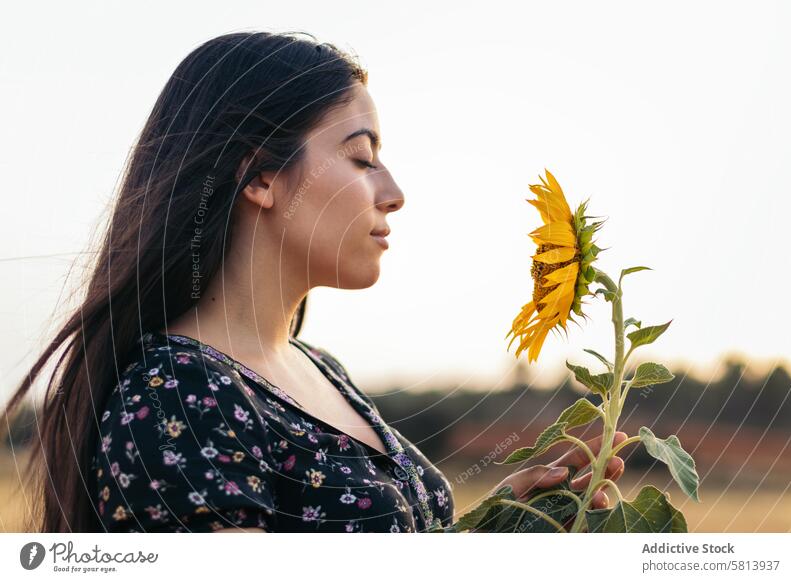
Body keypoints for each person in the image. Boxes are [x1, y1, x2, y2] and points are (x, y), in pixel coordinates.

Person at [4, 30, 624, 533]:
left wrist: (510, 522)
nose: (394, 193)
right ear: (261, 178)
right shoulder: (177, 397)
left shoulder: (320, 370)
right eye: (362, 158)